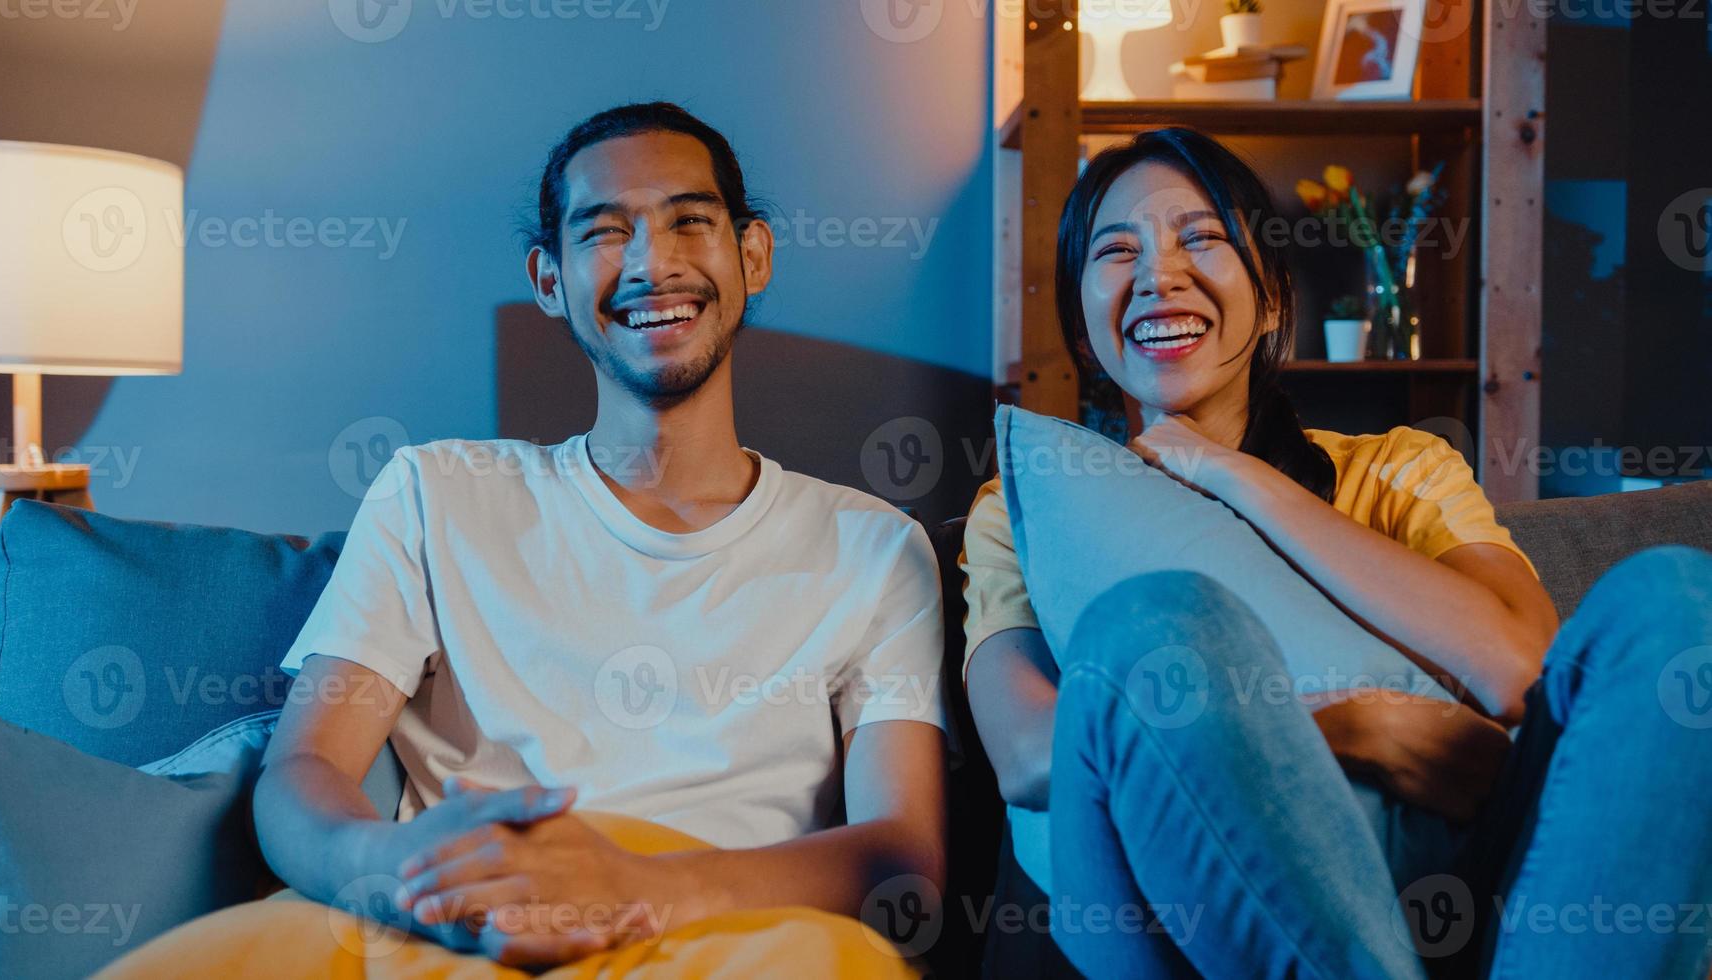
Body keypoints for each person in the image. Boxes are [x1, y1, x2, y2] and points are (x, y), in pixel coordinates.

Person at [116, 102, 949, 975]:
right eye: (603, 231)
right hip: (447, 927)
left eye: (690, 221)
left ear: (753, 255)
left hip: (731, 939)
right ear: (549, 279)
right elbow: (302, 775)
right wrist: (406, 873)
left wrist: (630, 887)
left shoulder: (875, 548)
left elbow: (903, 858)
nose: (652, 262)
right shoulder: (435, 494)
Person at [960, 127, 1712, 979]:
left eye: (1200, 238)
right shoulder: (1024, 506)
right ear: (1086, 323)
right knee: (1154, 623)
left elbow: (1519, 670)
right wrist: (1352, 730)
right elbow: (1027, 755)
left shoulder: (1400, 467)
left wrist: (1234, 474)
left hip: (1483, 884)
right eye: (1116, 250)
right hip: (1184, 904)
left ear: (1274, 298)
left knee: (1677, 600)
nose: (1157, 275)